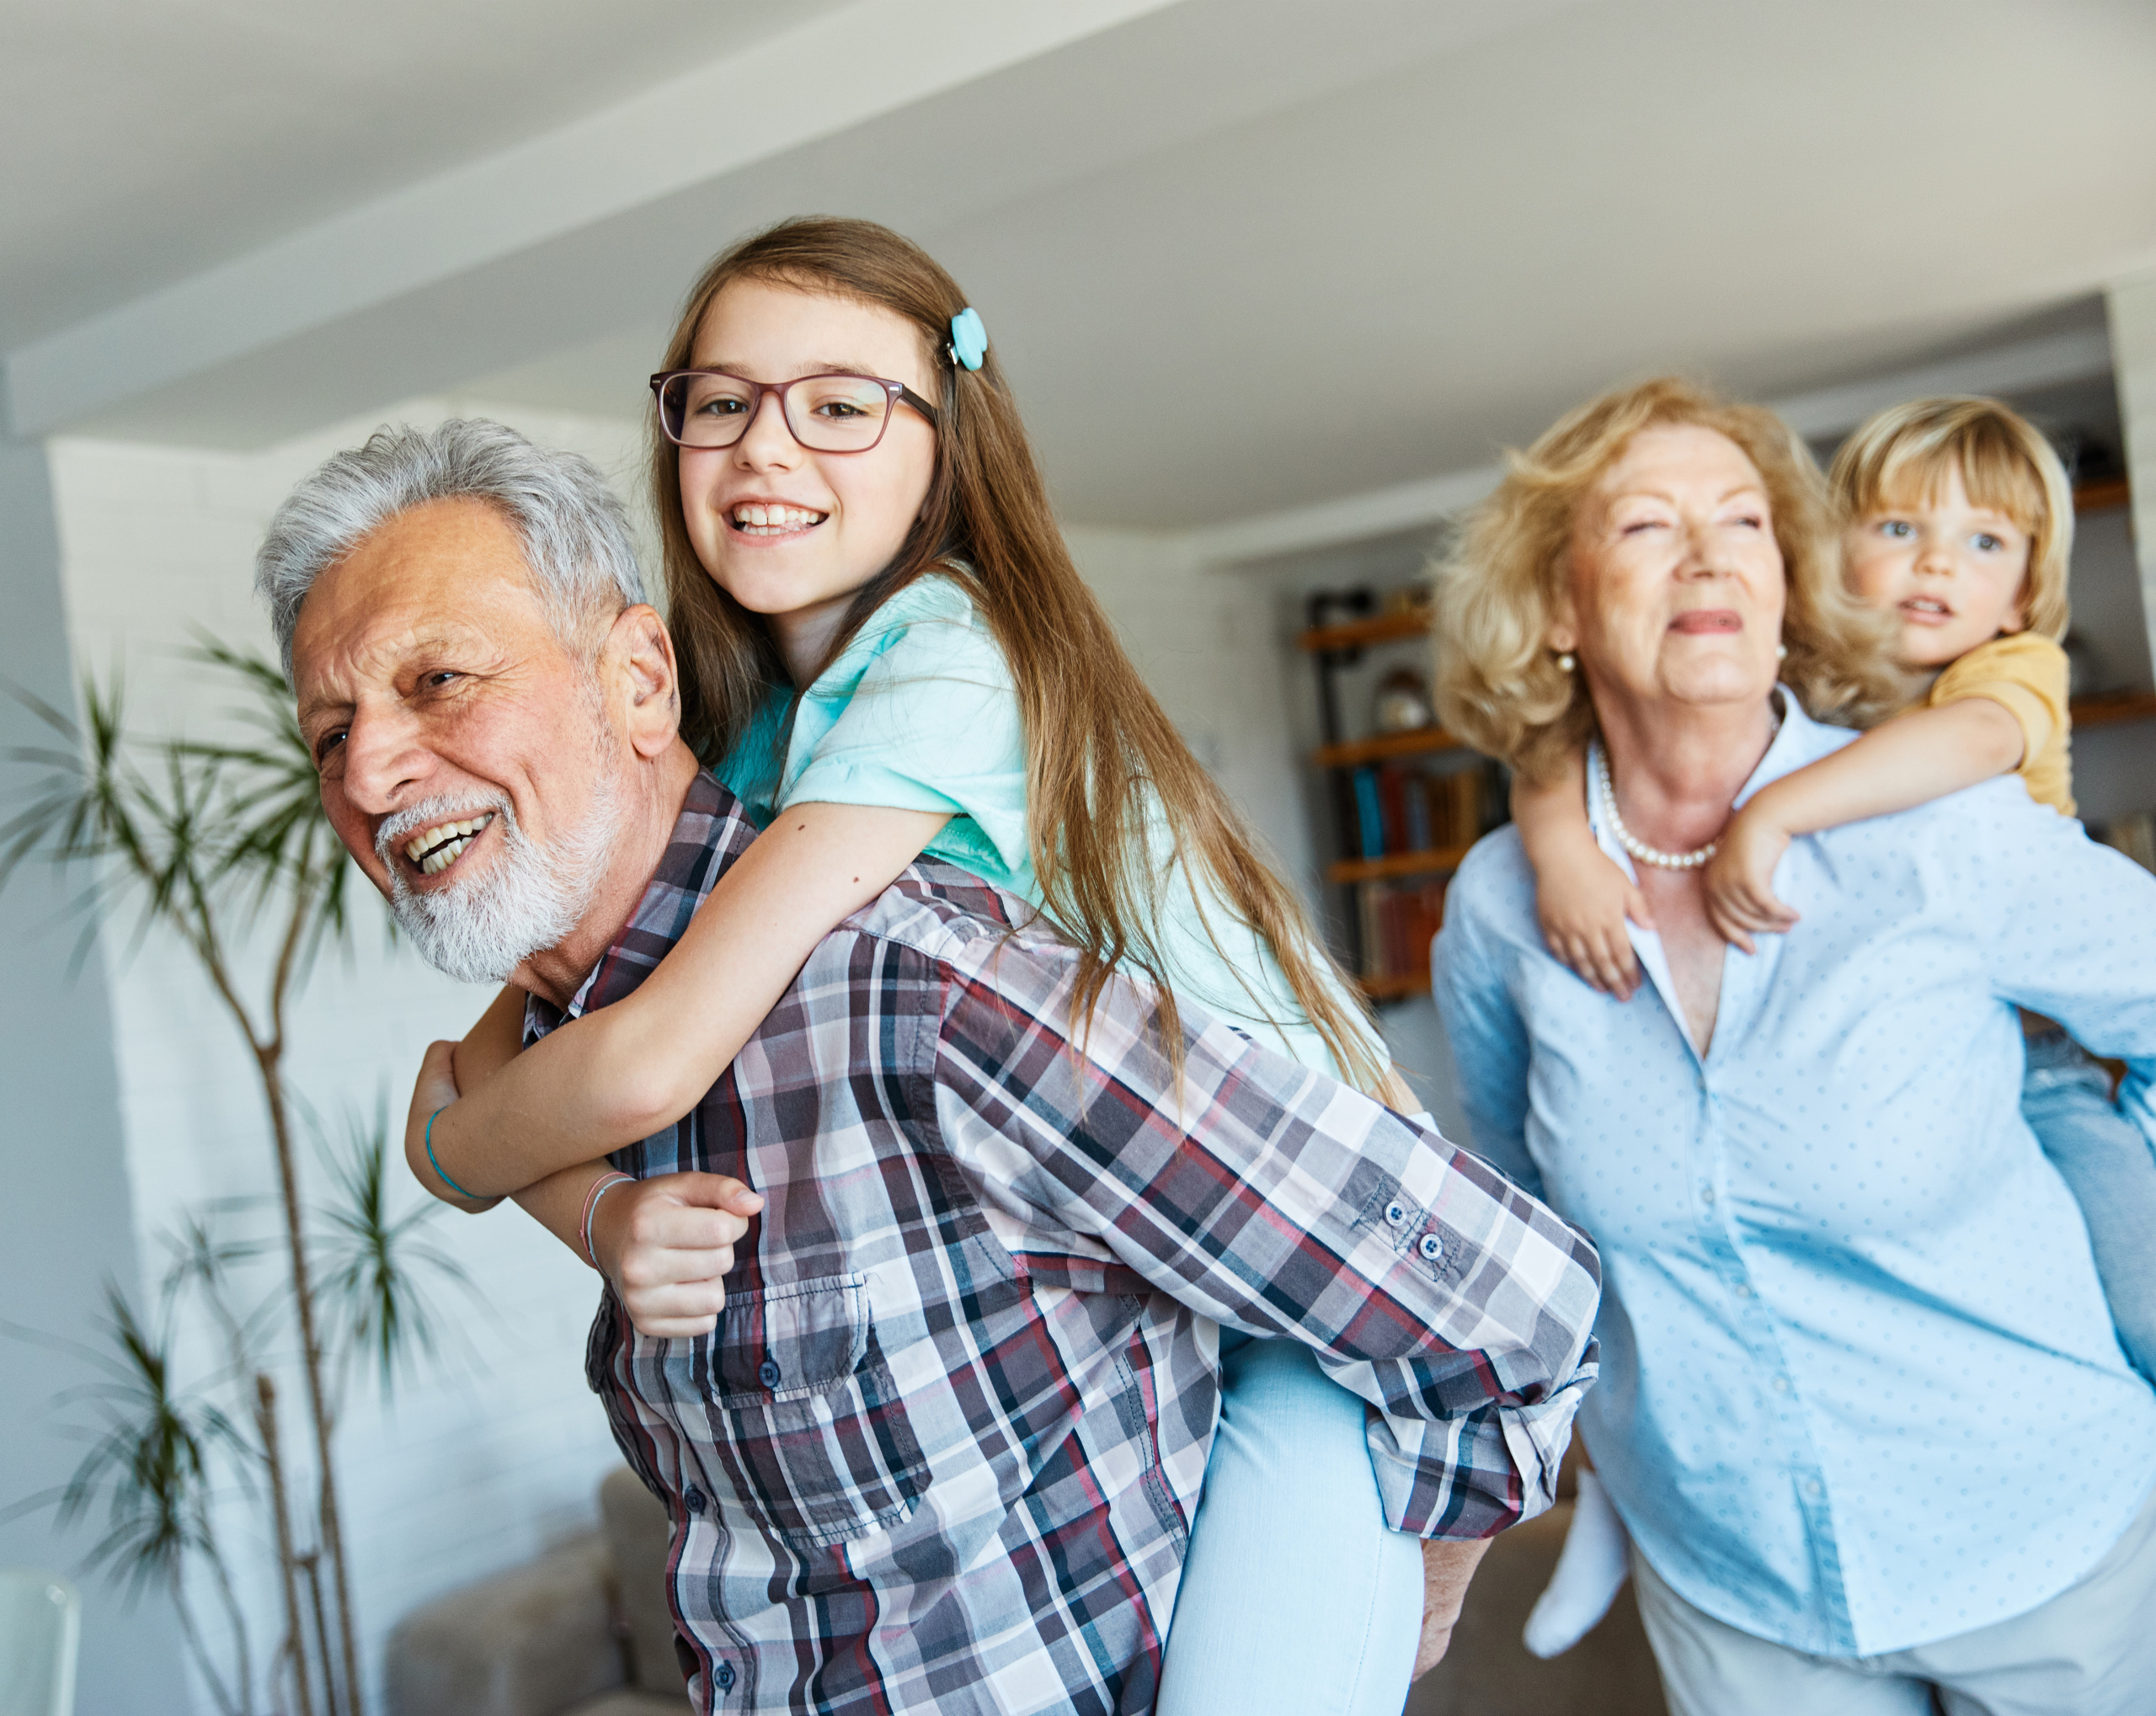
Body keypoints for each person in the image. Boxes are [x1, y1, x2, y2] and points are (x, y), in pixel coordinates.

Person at [259, 415, 1600, 1715]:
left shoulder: (915, 986)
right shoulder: (552, 1060)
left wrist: (1404, 1595)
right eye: (331, 734)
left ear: (642, 682)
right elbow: (452, 1134)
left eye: (440, 681)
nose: (372, 770)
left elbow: (1504, 1295)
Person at [1430, 376, 2156, 1715]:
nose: (1708, 553)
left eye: (1745, 519)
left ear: (1788, 575)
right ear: (1557, 608)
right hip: (1732, 1579)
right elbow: (1516, 1218)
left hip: (2051, 1550)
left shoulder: (1944, 827)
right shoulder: (1497, 910)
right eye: (1647, 525)